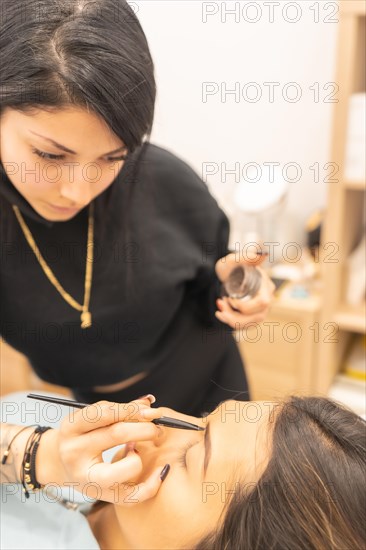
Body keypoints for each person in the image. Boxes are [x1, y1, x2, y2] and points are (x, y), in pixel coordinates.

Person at [0, 0, 275, 417]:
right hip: (92, 416)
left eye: (112, 158)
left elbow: (210, 294)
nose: (77, 191)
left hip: (209, 388)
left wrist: (235, 291)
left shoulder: (167, 183)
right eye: (50, 156)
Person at [1, 391, 365, 549]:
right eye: (203, 419)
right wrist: (39, 455)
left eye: (189, 459)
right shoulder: (67, 432)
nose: (162, 419)